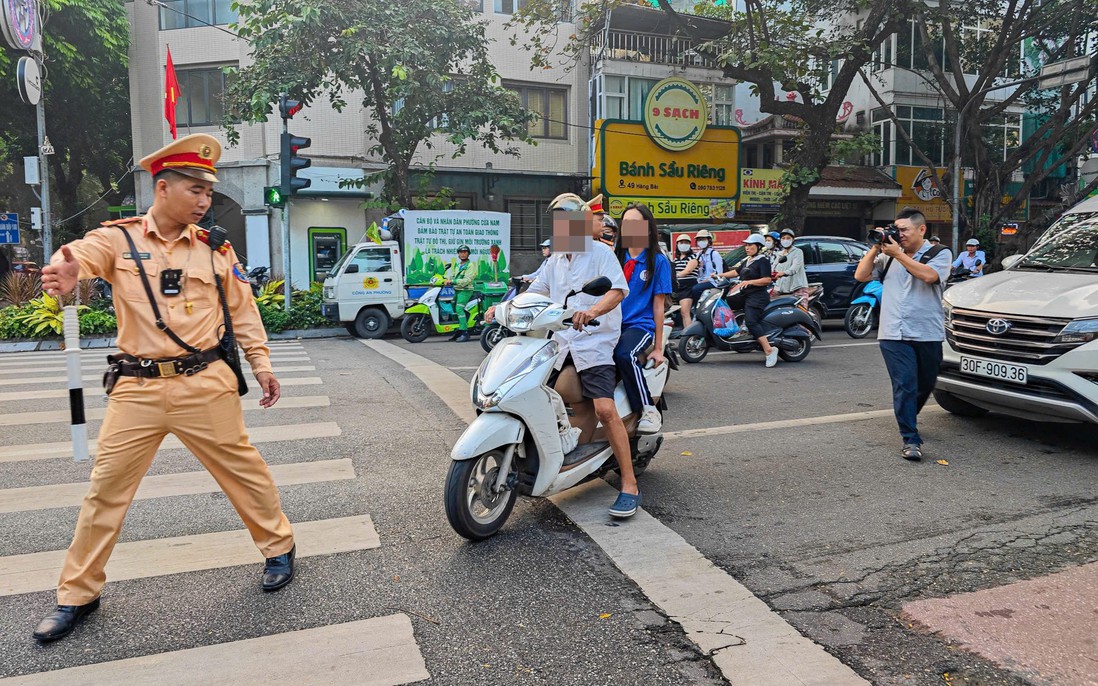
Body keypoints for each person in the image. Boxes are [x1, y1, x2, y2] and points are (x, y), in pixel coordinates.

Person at [34, 133, 295, 643]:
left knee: (244, 472)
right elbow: (83, 255)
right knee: (105, 491)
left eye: (208, 192)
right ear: (162, 187)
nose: (204, 200)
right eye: (195, 189)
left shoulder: (216, 249)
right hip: (138, 388)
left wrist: (261, 364)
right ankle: (77, 594)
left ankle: (279, 546)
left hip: (206, 382)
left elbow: (243, 311)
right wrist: (70, 270)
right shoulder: (120, 240)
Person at [486, 193, 639, 518]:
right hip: (560, 341)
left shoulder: (600, 252)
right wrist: (503, 307)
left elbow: (617, 290)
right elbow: (535, 292)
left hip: (595, 341)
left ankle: (629, 483)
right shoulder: (555, 260)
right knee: (532, 393)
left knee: (604, 409)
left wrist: (592, 311)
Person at [854, 206, 952, 461]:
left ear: (922, 229)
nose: (900, 234)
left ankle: (909, 415)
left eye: (905, 230)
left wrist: (898, 254)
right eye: (896, 230)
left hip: (927, 331)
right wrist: (876, 247)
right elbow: (861, 275)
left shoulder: (939, 253)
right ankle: (910, 438)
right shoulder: (888, 257)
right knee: (905, 384)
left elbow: (929, 276)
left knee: (925, 384)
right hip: (892, 332)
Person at [614, 203, 672, 434]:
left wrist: (658, 348)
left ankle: (648, 409)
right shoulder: (614, 257)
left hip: (639, 325)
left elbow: (658, 306)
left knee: (624, 354)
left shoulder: (657, 261)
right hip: (611, 324)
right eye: (626, 223)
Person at [716, 234, 780, 366]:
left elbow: (767, 279)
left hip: (757, 296)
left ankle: (769, 350)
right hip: (745, 294)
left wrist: (750, 282)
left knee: (751, 321)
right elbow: (736, 272)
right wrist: (719, 275)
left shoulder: (763, 261)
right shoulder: (748, 260)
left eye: (750, 245)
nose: (747, 247)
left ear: (759, 247)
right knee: (728, 305)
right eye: (746, 245)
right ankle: (741, 332)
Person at [441, 245, 477, 342]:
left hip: (466, 290)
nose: (462, 254)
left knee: (459, 309)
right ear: (458, 254)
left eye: (465, 252)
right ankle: (459, 330)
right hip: (457, 290)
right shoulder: (457, 265)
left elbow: (467, 280)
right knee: (453, 309)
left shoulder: (470, 266)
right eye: (461, 252)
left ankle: (465, 332)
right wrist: (444, 278)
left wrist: (453, 281)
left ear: (468, 254)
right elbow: (453, 276)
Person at [687, 229, 724, 302]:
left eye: (703, 239)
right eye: (699, 240)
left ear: (709, 241)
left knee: (695, 289)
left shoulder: (714, 254)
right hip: (700, 280)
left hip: (713, 282)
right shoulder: (699, 254)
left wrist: (708, 280)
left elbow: (719, 273)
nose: (701, 242)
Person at [671, 234, 699, 328]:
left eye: (686, 242)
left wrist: (674, 276)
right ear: (677, 244)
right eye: (681, 242)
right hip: (677, 288)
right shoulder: (676, 260)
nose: (683, 244)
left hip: (687, 288)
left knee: (685, 312)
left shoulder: (693, 258)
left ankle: (689, 333)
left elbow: (688, 271)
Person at [771, 228, 808, 296]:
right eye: (783, 238)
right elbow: (773, 267)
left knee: (800, 302)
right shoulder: (779, 254)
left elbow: (794, 268)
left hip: (797, 287)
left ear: (792, 240)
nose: (785, 240)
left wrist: (783, 273)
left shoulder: (798, 252)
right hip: (781, 288)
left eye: (788, 238)